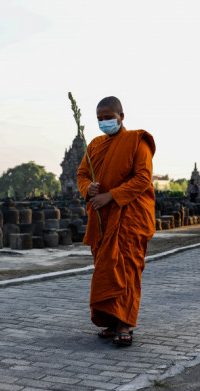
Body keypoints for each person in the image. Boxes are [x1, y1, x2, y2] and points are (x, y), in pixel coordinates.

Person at [77, 96, 156, 347]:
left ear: (121, 116)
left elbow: (143, 178)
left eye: (109, 117)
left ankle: (125, 324)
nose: (104, 122)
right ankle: (112, 322)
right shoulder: (95, 145)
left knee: (127, 270)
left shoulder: (136, 141)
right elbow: (82, 173)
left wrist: (111, 196)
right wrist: (87, 189)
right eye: (100, 119)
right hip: (102, 218)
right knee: (106, 270)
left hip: (129, 216)